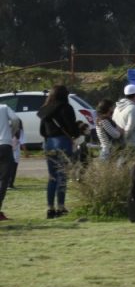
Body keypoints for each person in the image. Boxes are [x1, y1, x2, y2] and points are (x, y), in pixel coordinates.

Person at [38, 85, 83, 219]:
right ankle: (61, 207)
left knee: (52, 177)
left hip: (49, 143)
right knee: (62, 175)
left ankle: (50, 208)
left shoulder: (45, 109)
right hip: (62, 141)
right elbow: (72, 128)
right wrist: (77, 131)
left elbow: (42, 131)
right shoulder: (66, 108)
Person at [0, 101, 22, 221]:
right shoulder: (3, 107)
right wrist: (11, 132)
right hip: (4, 144)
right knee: (3, 179)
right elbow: (15, 120)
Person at [114, 84, 135, 149]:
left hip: (120, 143)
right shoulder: (133, 108)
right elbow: (129, 127)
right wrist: (124, 140)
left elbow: (114, 123)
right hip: (134, 143)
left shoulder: (117, 107)